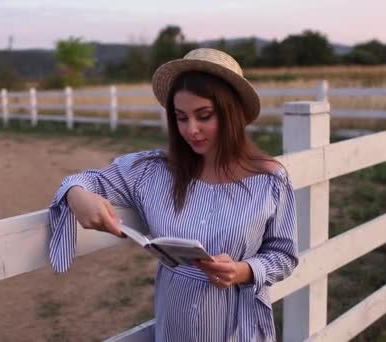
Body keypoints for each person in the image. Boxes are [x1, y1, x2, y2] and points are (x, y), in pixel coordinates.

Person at [48, 48, 299, 341]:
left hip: (236, 327)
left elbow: (284, 255)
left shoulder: (268, 180)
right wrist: (78, 196)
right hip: (174, 327)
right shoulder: (153, 173)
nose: (191, 130)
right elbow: (81, 180)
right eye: (181, 118)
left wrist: (242, 270)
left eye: (204, 116)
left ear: (231, 113)